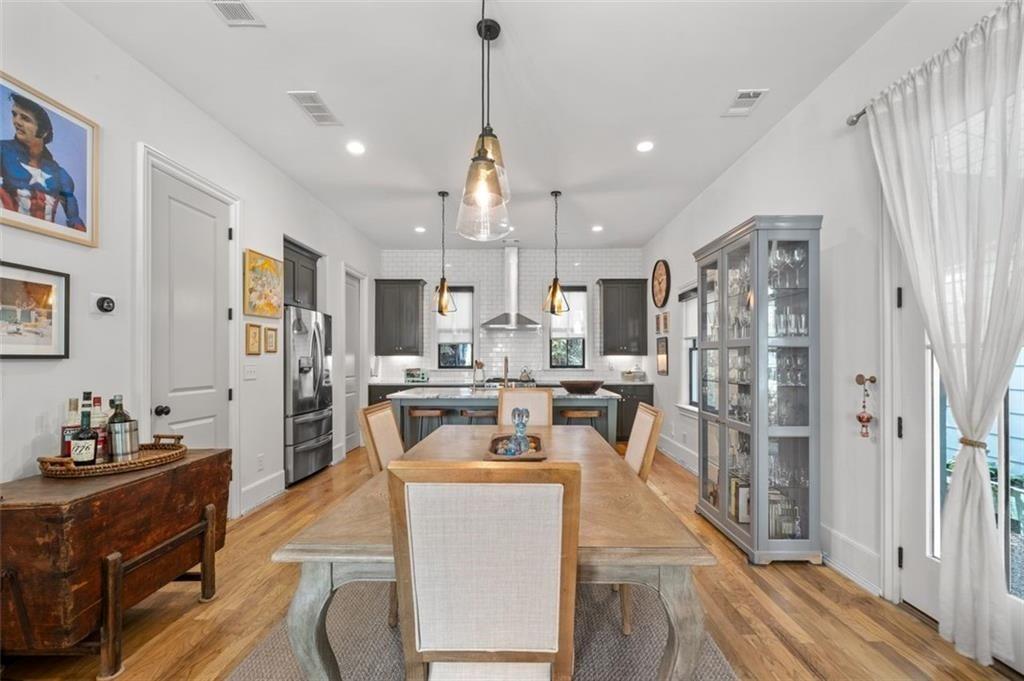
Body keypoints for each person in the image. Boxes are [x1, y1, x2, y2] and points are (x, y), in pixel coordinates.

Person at [0, 92, 85, 231]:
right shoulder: (3, 152)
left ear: (44, 132)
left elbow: (76, 223)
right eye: (14, 114)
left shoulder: (61, 175)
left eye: (25, 118)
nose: (16, 121)